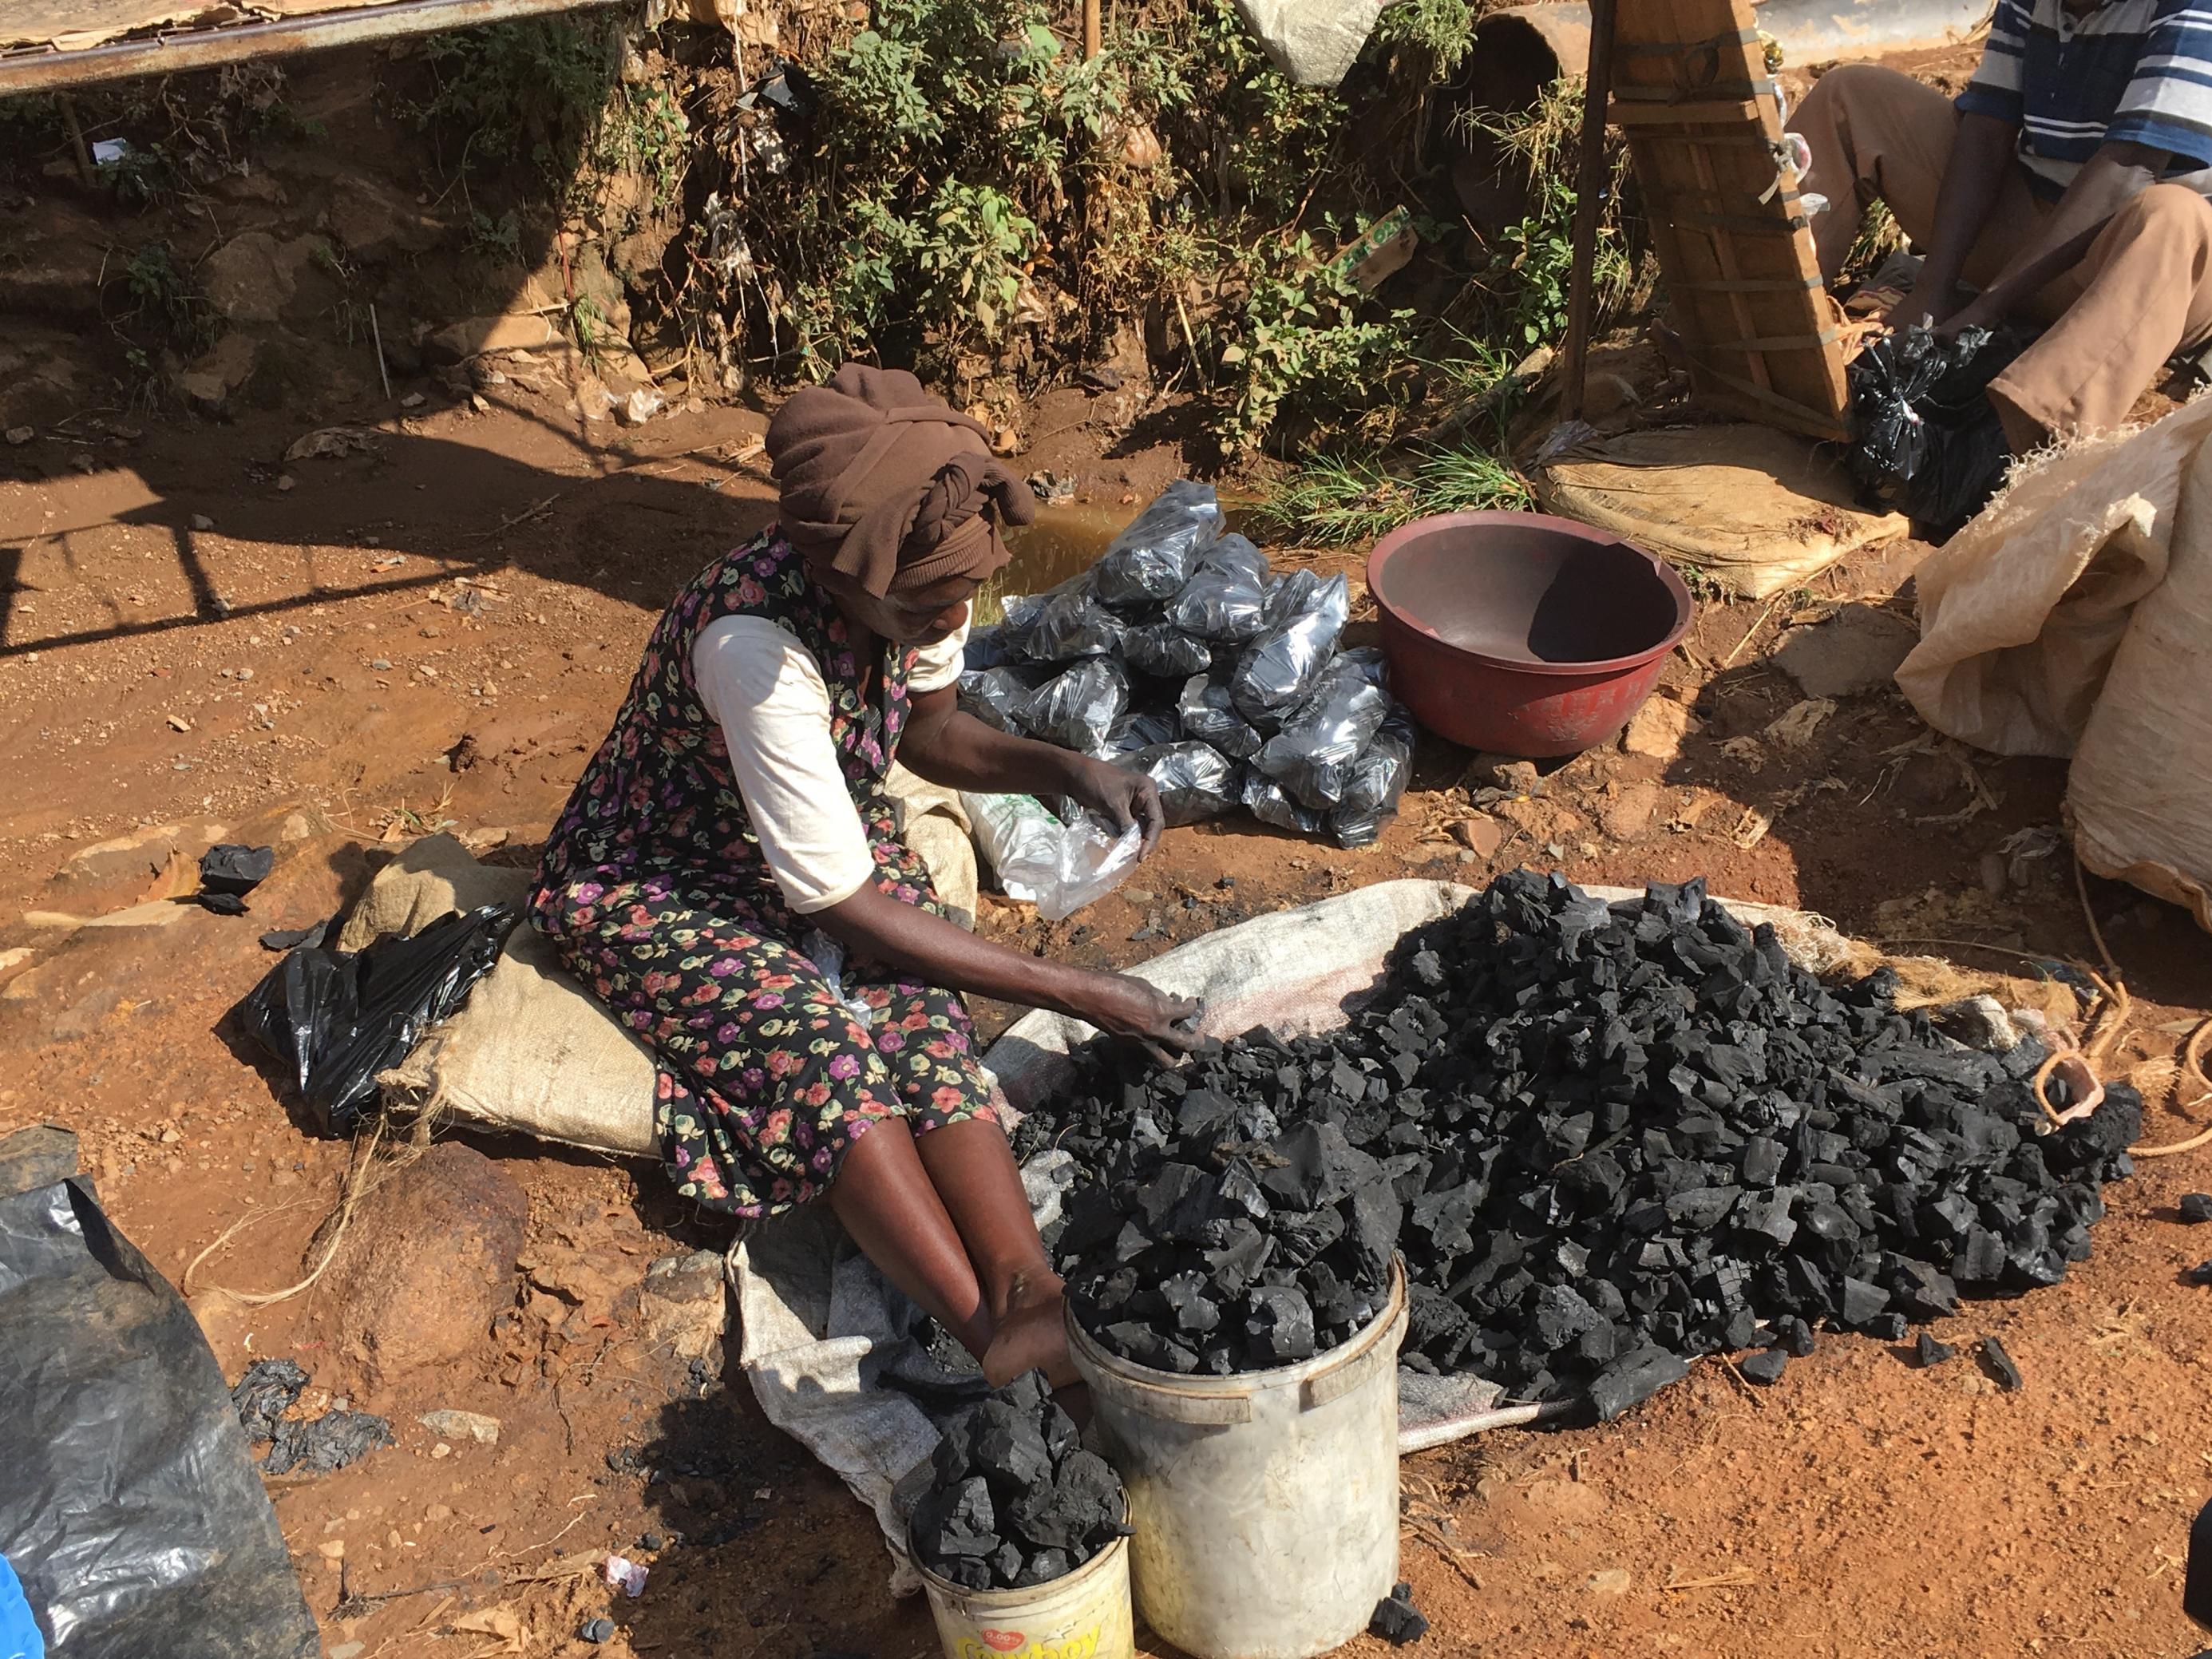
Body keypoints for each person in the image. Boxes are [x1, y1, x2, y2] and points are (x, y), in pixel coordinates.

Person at [531, 364, 1199, 1387]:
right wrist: (1076, 988)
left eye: (961, 599)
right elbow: (843, 904)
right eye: (926, 610)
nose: (949, 621)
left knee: (921, 1014)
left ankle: (1030, 1287)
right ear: (843, 578)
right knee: (822, 1052)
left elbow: (932, 735)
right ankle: (988, 1333)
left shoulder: (929, 568)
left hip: (815, 832)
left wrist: (1060, 765)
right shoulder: (756, 647)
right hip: (663, 872)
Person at [1790, 0, 2212, 451]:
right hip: (2039, 240)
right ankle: (1774, 333)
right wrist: (1932, 289)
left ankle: (2006, 452)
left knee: (2172, 214)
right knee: (1852, 94)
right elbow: (1987, 133)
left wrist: (1985, 307)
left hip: (2147, 278)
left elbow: (2129, 169)